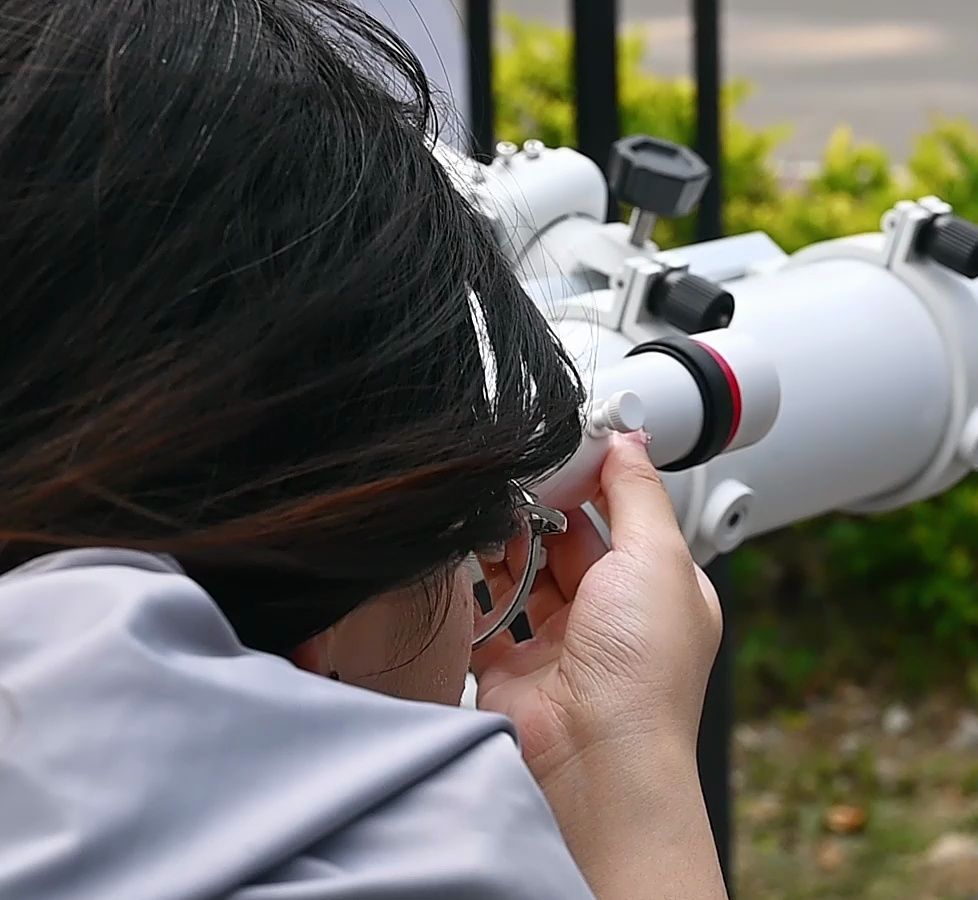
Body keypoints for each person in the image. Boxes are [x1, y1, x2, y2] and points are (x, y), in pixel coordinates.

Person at [0, 2, 727, 898]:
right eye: (465, 536)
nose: (483, 585)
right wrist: (621, 772)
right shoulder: (428, 861)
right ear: (321, 637)